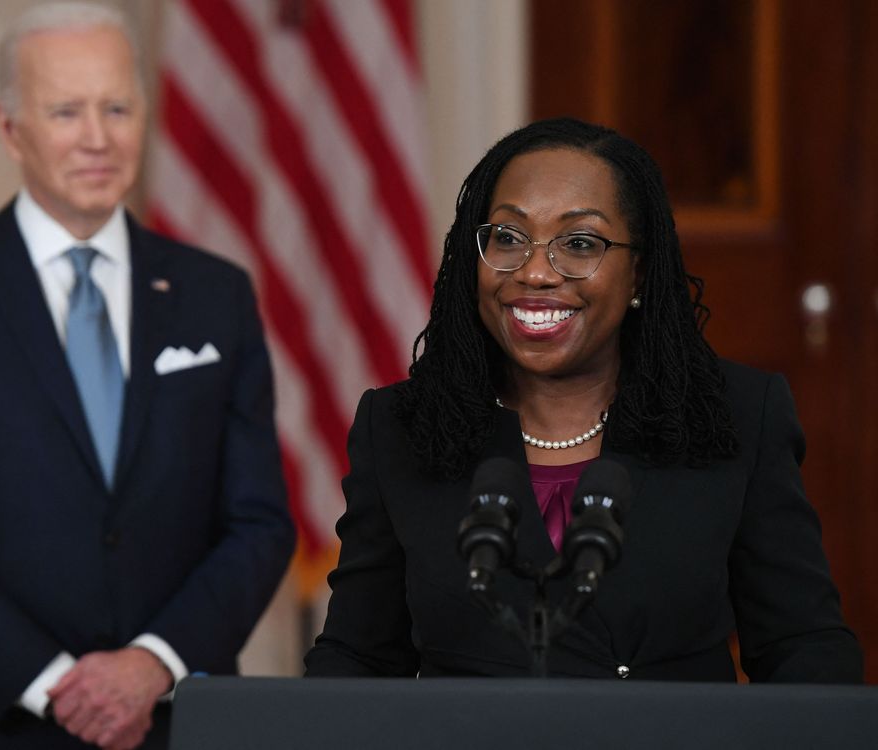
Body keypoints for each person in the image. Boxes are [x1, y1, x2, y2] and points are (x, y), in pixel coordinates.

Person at [304, 118, 862, 683]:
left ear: (639, 271)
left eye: (579, 243)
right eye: (508, 237)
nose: (536, 272)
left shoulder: (737, 415)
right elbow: (360, 658)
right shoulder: (403, 427)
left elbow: (804, 649)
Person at [0, 3, 294, 749]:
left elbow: (258, 524)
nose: (97, 138)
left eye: (116, 108)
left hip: (175, 721)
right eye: (66, 111)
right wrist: (55, 686)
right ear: (10, 129)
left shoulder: (216, 294)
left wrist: (150, 664)